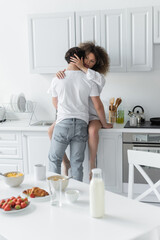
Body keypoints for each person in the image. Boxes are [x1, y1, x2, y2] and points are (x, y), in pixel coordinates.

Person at [48, 42, 112, 179]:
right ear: (80, 57)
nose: (88, 62)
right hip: (80, 121)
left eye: (92, 61)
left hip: (87, 116)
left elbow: (98, 106)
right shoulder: (68, 77)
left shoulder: (93, 77)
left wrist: (104, 123)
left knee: (54, 159)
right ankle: (68, 166)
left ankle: (92, 165)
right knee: (77, 162)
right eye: (86, 58)